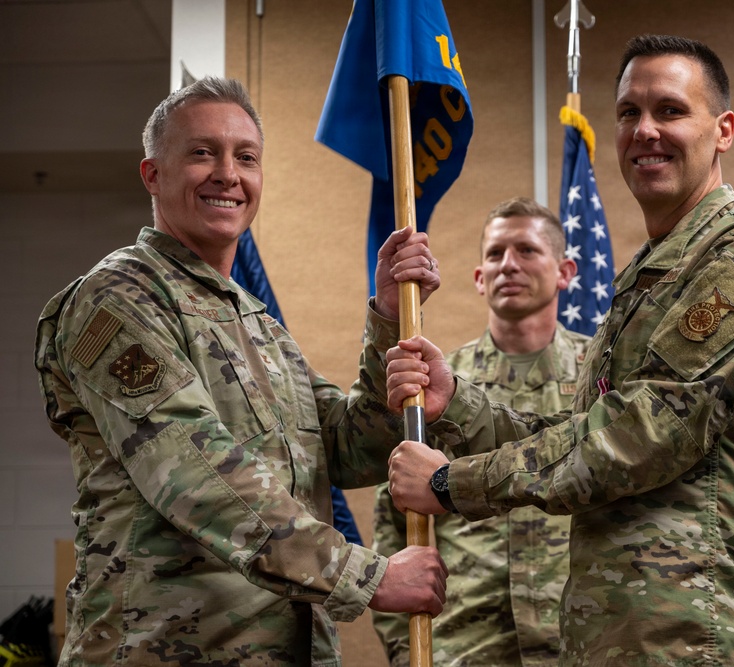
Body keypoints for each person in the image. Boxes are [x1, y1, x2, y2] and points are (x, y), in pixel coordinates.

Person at [383, 34, 734, 665]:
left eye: (671, 111)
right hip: (629, 641)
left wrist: (451, 482)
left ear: (724, 129)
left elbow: (641, 436)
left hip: (711, 637)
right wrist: (456, 406)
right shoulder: (652, 276)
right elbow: (587, 430)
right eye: (629, 112)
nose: (645, 130)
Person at [34, 77, 449, 666]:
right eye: (202, 152)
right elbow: (194, 472)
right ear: (153, 174)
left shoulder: (259, 324)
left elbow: (345, 447)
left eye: (246, 157)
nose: (228, 174)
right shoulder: (120, 299)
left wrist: (387, 317)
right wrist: (365, 575)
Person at [371, 197, 592, 666]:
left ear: (565, 271)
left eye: (527, 251)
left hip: (581, 642)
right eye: (495, 254)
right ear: (478, 278)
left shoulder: (602, 380)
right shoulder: (431, 387)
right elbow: (393, 527)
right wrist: (403, 651)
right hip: (465, 648)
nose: (508, 265)